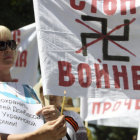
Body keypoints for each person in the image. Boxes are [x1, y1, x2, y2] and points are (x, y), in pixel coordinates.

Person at [0, 25, 66, 140]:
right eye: (1, 45)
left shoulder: (28, 90)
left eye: (11, 44)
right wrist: (38, 136)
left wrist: (53, 121)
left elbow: (44, 131)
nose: (8, 49)